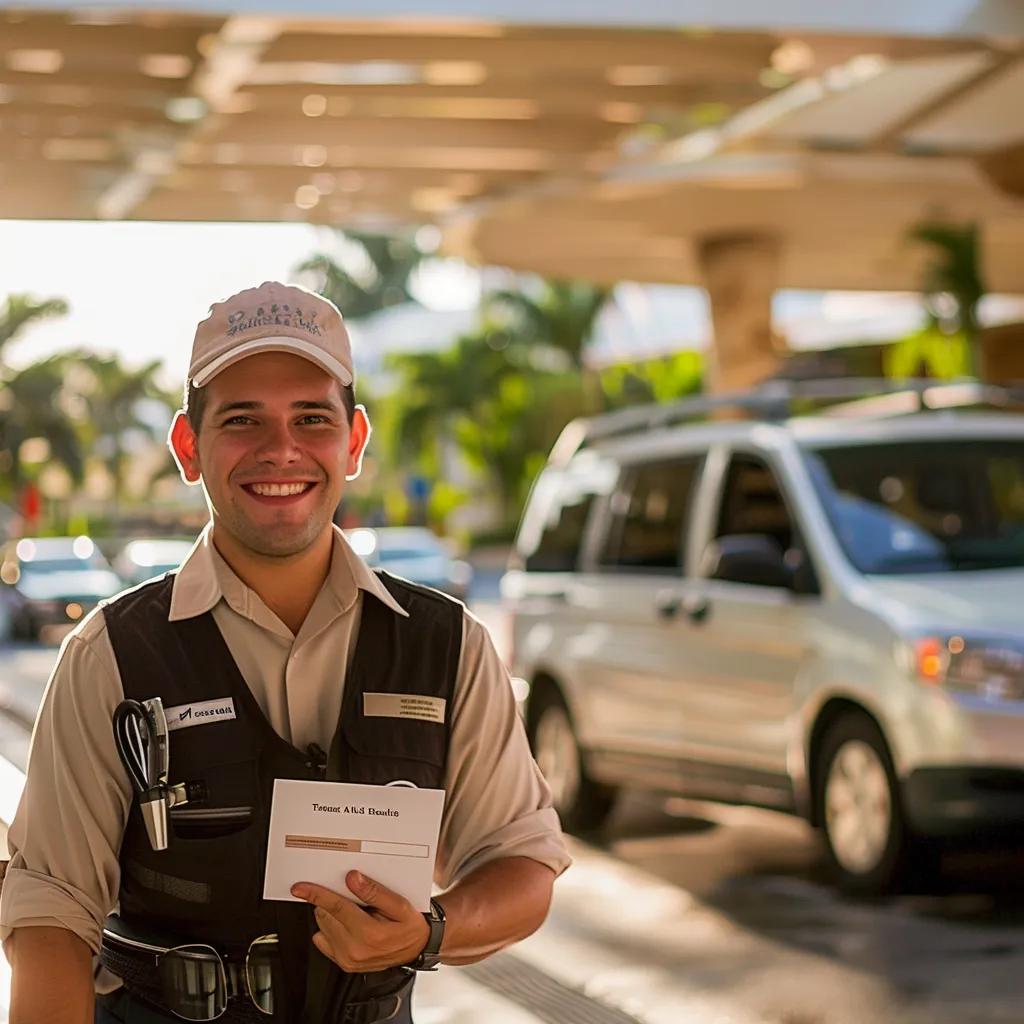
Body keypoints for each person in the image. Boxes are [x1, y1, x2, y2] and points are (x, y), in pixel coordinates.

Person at [0, 281, 570, 1023]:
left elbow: (521, 862)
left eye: (312, 417)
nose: (282, 449)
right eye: (243, 419)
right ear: (188, 447)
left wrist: (432, 932)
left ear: (354, 441)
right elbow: (51, 918)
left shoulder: (447, 644)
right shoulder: (110, 654)